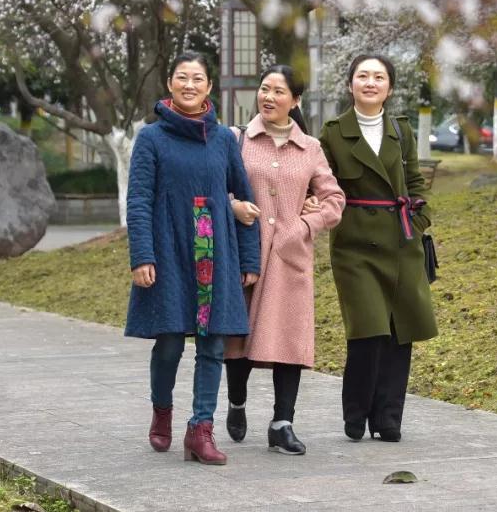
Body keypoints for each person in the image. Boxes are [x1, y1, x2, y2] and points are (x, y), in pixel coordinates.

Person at [125, 52, 260, 466]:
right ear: (170, 83)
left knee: (213, 345)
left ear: (208, 86)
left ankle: (201, 429)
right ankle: (161, 410)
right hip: (170, 250)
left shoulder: (222, 139)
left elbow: (244, 200)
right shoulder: (151, 138)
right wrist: (142, 255)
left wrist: (248, 259)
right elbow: (139, 200)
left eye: (197, 78)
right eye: (182, 77)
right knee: (168, 343)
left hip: (215, 253)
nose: (189, 84)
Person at [225, 65, 344, 456]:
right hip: (246, 252)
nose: (269, 97)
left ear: (295, 101)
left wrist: (303, 225)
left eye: (279, 91)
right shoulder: (237, 140)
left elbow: (334, 200)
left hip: (290, 258)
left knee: (290, 339)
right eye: (264, 89)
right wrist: (233, 206)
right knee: (238, 339)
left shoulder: (310, 148)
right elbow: (216, 189)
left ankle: (282, 423)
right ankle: (237, 402)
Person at [318, 54, 437, 442]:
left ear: (389, 86)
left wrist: (419, 221)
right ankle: (356, 413)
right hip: (354, 247)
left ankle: (388, 420)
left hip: (401, 242)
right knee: (368, 332)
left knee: (400, 333)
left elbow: (415, 181)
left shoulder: (401, 130)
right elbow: (321, 184)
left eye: (379, 77)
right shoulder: (333, 132)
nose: (371, 83)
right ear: (350, 84)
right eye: (363, 76)